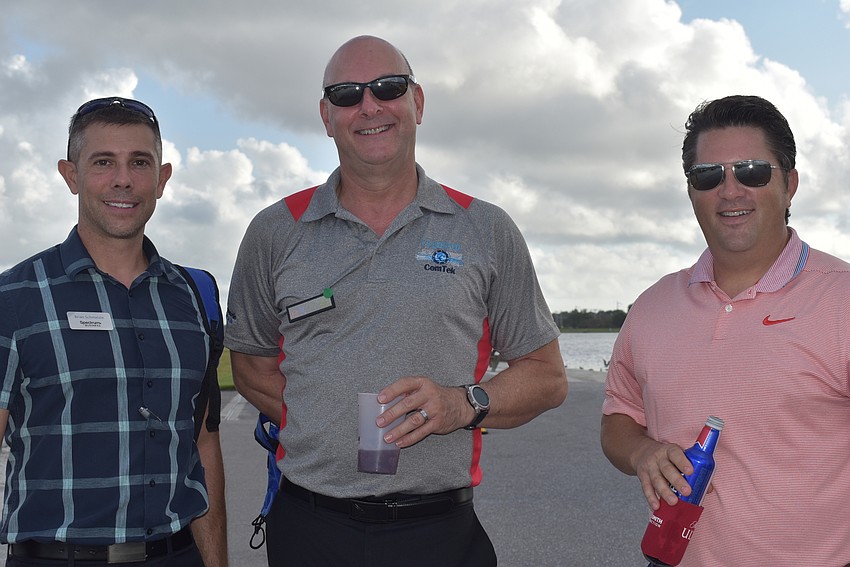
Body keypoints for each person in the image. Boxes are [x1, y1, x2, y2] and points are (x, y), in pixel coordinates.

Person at [225, 35, 567, 566]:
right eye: (346, 94)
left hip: (439, 533)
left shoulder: (486, 229)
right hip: (309, 529)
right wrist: (323, 420)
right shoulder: (274, 231)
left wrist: (463, 404)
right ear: (325, 115)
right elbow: (249, 368)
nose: (369, 105)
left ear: (418, 103)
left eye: (388, 87)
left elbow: (546, 375)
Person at [601, 94, 850, 565]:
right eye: (708, 176)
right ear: (692, 191)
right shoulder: (652, 306)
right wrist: (640, 453)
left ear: (790, 184)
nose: (730, 190)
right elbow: (618, 419)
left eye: (752, 172)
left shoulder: (842, 299)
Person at [0, 97, 228, 566]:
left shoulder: (192, 296)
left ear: (162, 179)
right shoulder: (15, 298)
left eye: (139, 162)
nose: (123, 179)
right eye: (103, 162)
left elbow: (202, 445)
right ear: (71, 175)